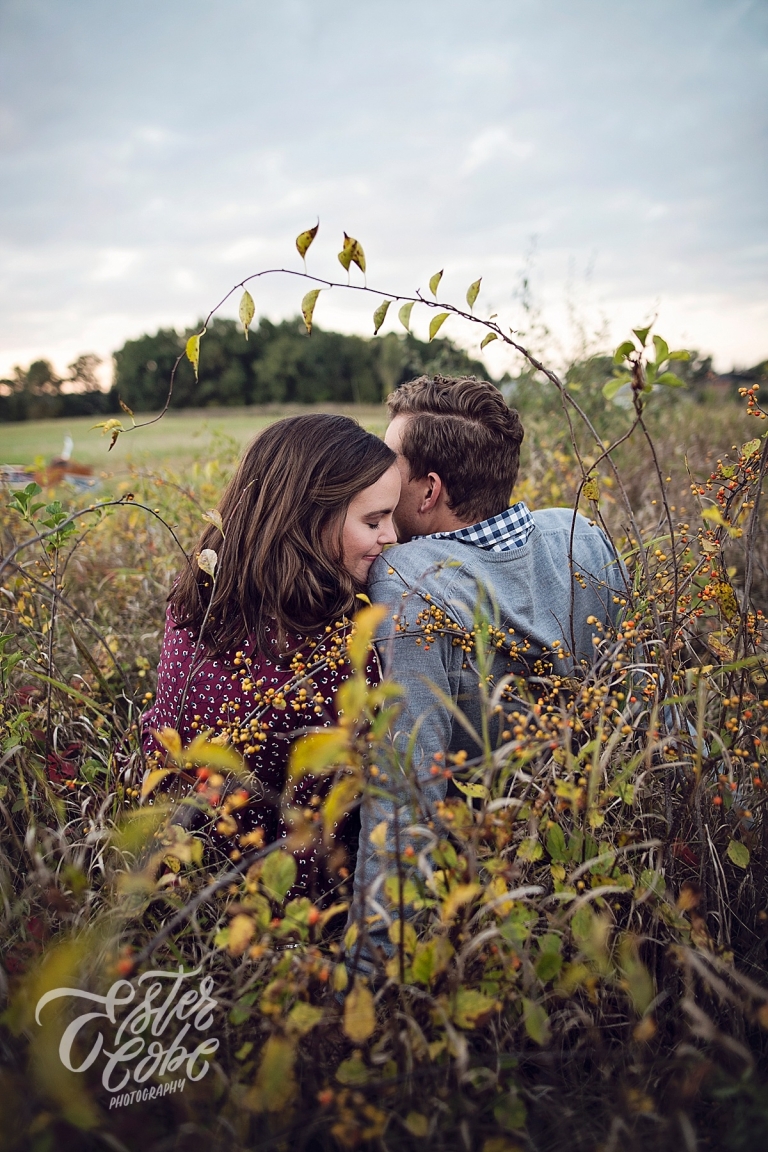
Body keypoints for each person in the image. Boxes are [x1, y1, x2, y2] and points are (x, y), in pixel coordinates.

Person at [349, 374, 627, 957]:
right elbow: (641, 695)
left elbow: (408, 782)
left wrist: (378, 960)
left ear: (428, 491)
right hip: (597, 863)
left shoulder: (409, 578)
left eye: (390, 464)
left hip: (478, 888)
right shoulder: (584, 535)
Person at [142, 413, 400, 898]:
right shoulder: (332, 647)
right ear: (310, 516)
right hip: (281, 889)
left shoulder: (202, 590)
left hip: (179, 852)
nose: (392, 536)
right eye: (374, 521)